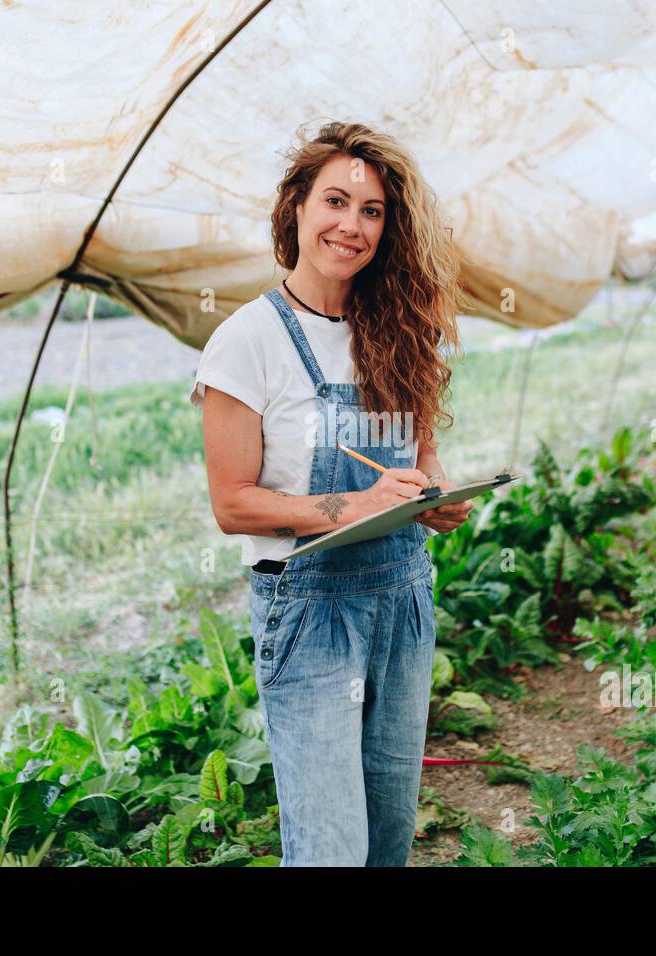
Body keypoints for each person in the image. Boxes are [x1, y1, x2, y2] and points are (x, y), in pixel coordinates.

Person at [189, 121, 472, 866]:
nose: (352, 224)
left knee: (387, 837)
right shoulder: (247, 341)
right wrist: (353, 506)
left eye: (373, 210)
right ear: (297, 209)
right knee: (329, 850)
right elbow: (234, 504)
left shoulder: (401, 330)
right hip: (311, 613)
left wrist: (435, 500)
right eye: (336, 201)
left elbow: (423, 462)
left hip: (402, 600)